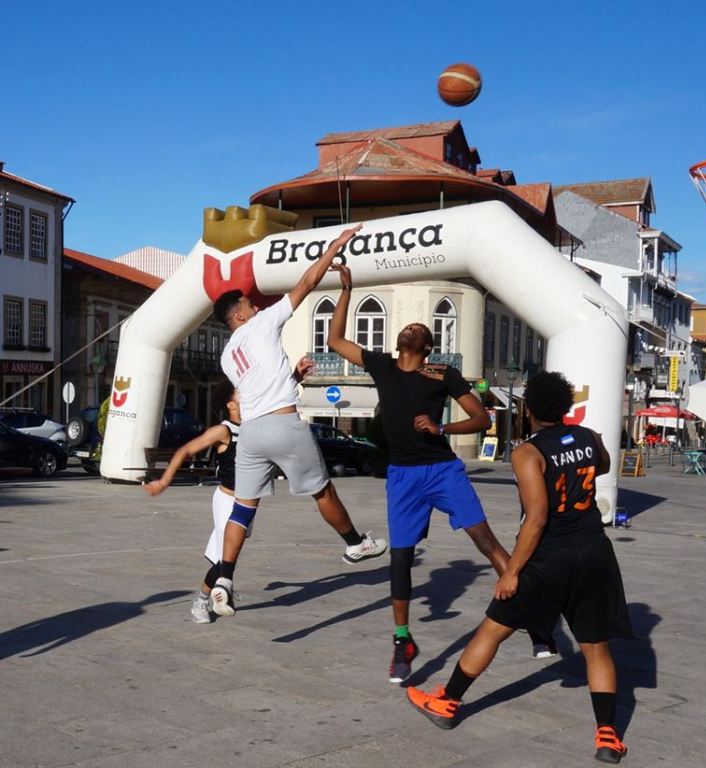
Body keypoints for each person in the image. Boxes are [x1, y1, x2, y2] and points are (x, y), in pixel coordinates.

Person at [327, 264, 554, 682]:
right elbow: (336, 340)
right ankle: (402, 641)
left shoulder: (441, 374)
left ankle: (533, 618)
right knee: (400, 558)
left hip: (443, 471)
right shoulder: (381, 365)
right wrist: (347, 291)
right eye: (407, 325)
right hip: (403, 476)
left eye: (418, 327)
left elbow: (481, 417)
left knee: (485, 541)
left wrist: (441, 427)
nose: (410, 327)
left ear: (427, 346)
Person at [405, 371, 632, 764]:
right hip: (595, 551)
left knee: (492, 630)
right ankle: (608, 736)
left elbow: (537, 518)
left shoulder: (528, 452)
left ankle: (447, 703)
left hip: (550, 558)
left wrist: (511, 572)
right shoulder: (590, 437)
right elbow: (604, 464)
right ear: (565, 407)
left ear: (528, 409)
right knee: (596, 648)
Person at [210, 224, 387, 618]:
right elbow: (307, 282)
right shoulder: (261, 322)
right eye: (249, 304)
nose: (255, 305)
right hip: (284, 426)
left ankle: (224, 579)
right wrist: (334, 247)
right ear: (239, 314)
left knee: (243, 508)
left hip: (252, 433)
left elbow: (259, 388)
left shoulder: (227, 355)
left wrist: (294, 378)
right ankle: (355, 543)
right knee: (323, 491)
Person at [142, 382, 243, 623]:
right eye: (242, 393)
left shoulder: (254, 426)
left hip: (246, 503)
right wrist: (163, 481)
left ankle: (222, 587)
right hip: (227, 500)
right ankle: (201, 602)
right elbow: (186, 450)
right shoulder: (223, 431)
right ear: (231, 404)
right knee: (225, 559)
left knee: (229, 557)